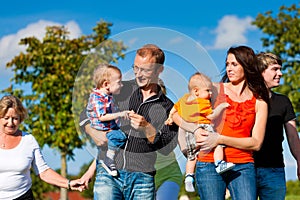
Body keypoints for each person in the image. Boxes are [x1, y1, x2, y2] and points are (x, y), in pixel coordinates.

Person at [80, 44, 178, 200]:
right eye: (136, 68)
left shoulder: (168, 107)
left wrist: (147, 128)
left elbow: (167, 147)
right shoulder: (121, 89)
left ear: (159, 70)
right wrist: (93, 132)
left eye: (145, 70)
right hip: (108, 174)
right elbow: (85, 112)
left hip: (142, 179)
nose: (138, 74)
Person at [173, 45, 269, 200]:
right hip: (208, 163)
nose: (229, 69)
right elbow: (178, 114)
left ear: (247, 66)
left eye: (234, 64)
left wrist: (219, 139)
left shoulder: (259, 101)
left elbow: (256, 143)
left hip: (243, 164)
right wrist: (195, 131)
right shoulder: (213, 90)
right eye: (227, 64)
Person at [0, 95, 84, 200]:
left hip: (22, 196)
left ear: (20, 118)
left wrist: (69, 183)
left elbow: (43, 172)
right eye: (6, 118)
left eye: (15, 118)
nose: (11, 123)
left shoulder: (28, 140)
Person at [165, 72, 234, 193]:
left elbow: (174, 109)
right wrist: (221, 106)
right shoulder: (203, 102)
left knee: (192, 157)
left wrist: (170, 118)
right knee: (218, 143)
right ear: (196, 91)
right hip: (203, 127)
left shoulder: (184, 99)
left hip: (187, 132)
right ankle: (219, 163)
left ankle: (189, 177)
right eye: (208, 90)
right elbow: (212, 116)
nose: (211, 94)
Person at [254, 52, 300, 200]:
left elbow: (293, 136)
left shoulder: (283, 101)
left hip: (274, 170)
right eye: (275, 69)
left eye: (280, 69)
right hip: (246, 169)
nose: (280, 73)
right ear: (261, 72)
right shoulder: (245, 101)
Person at [86, 63, 132, 176]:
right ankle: (109, 159)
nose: (121, 85)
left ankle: (107, 156)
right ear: (106, 84)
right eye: (119, 82)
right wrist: (120, 114)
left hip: (108, 125)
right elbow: (102, 116)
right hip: (103, 128)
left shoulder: (107, 96)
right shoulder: (97, 97)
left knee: (121, 136)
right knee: (119, 136)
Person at [155, 78, 182, 200]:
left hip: (168, 175)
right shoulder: (134, 116)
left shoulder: (171, 118)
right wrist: (92, 170)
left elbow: (182, 141)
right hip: (141, 179)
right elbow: (113, 144)